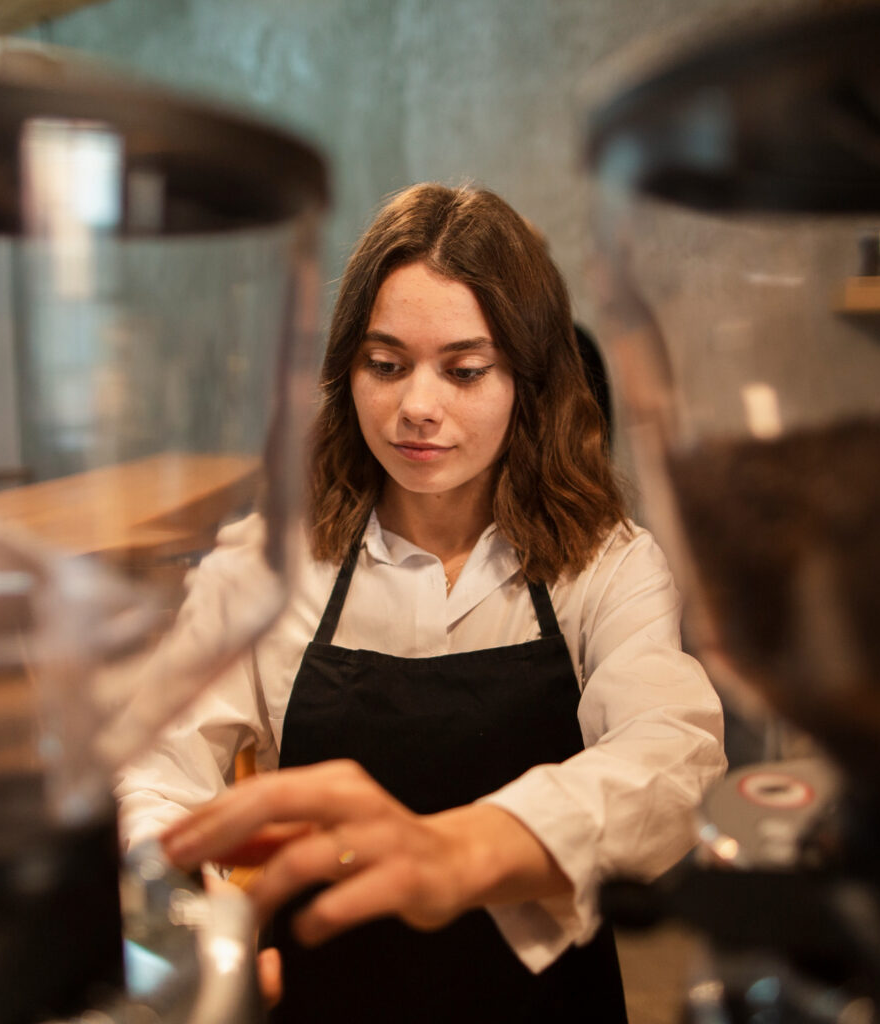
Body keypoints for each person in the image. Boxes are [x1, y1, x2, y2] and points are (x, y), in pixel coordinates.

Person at [117, 183, 726, 1023]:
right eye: (386, 364)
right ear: (347, 369)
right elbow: (154, 766)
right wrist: (190, 911)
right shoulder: (271, 561)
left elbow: (674, 752)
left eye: (465, 370)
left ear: (529, 381)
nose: (417, 408)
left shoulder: (607, 563)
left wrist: (458, 851)